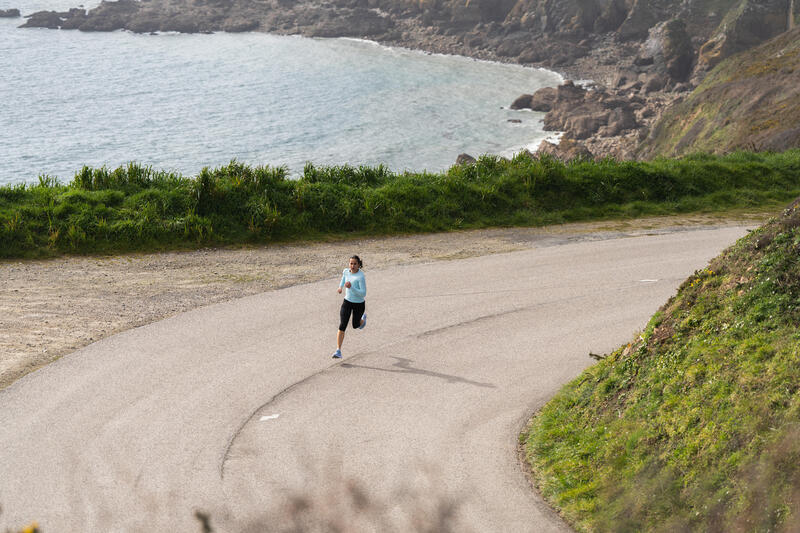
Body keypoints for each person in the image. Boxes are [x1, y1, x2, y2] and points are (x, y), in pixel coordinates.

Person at [332, 255, 366, 359]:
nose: (352, 265)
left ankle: (362, 321)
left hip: (359, 304)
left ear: (359, 265)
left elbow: (363, 293)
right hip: (347, 302)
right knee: (342, 325)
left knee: (355, 325)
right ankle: (338, 350)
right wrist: (340, 287)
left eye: (355, 264)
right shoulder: (346, 271)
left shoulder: (360, 276)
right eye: (351, 263)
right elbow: (344, 279)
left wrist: (351, 288)